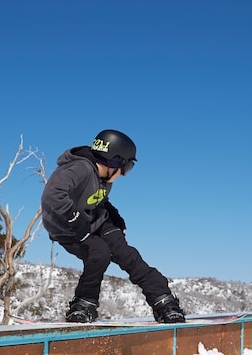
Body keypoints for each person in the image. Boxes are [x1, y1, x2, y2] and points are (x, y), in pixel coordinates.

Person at [41, 129, 186, 323]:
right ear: (115, 161)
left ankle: (164, 302)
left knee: (128, 256)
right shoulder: (80, 168)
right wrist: (75, 218)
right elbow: (53, 193)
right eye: (127, 168)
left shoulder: (103, 178)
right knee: (99, 253)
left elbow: (97, 199)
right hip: (67, 229)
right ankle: (83, 305)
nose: (124, 174)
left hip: (95, 221)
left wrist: (114, 215)